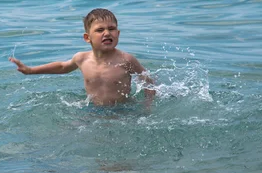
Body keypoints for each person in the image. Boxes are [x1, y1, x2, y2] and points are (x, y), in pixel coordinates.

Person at [9, 8, 155, 108]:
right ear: (87, 38)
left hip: (123, 109)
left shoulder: (126, 60)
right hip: (93, 109)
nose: (107, 33)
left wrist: (148, 105)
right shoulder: (82, 59)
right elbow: (62, 67)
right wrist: (30, 70)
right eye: (100, 30)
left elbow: (148, 80)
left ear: (118, 33)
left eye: (111, 29)